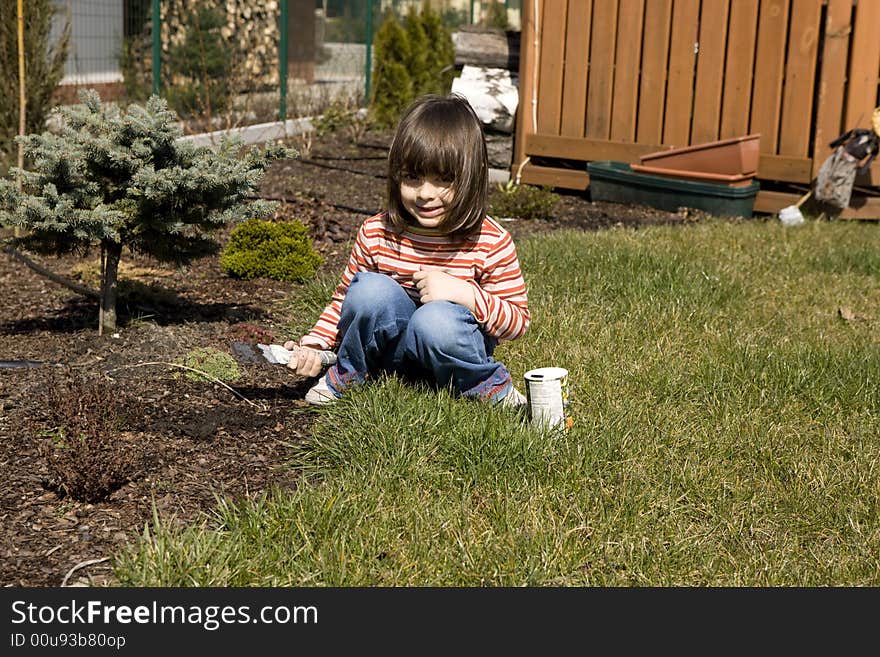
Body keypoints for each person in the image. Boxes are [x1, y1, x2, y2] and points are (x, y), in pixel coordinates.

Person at [284, 93, 530, 407]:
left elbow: (517, 322)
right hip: (390, 360)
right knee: (369, 290)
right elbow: (344, 301)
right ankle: (349, 373)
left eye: (445, 179)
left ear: (472, 176)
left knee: (435, 320)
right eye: (413, 177)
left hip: (450, 356)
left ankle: (489, 387)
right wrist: (316, 342)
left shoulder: (489, 241)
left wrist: (466, 294)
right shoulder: (377, 232)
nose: (426, 194)